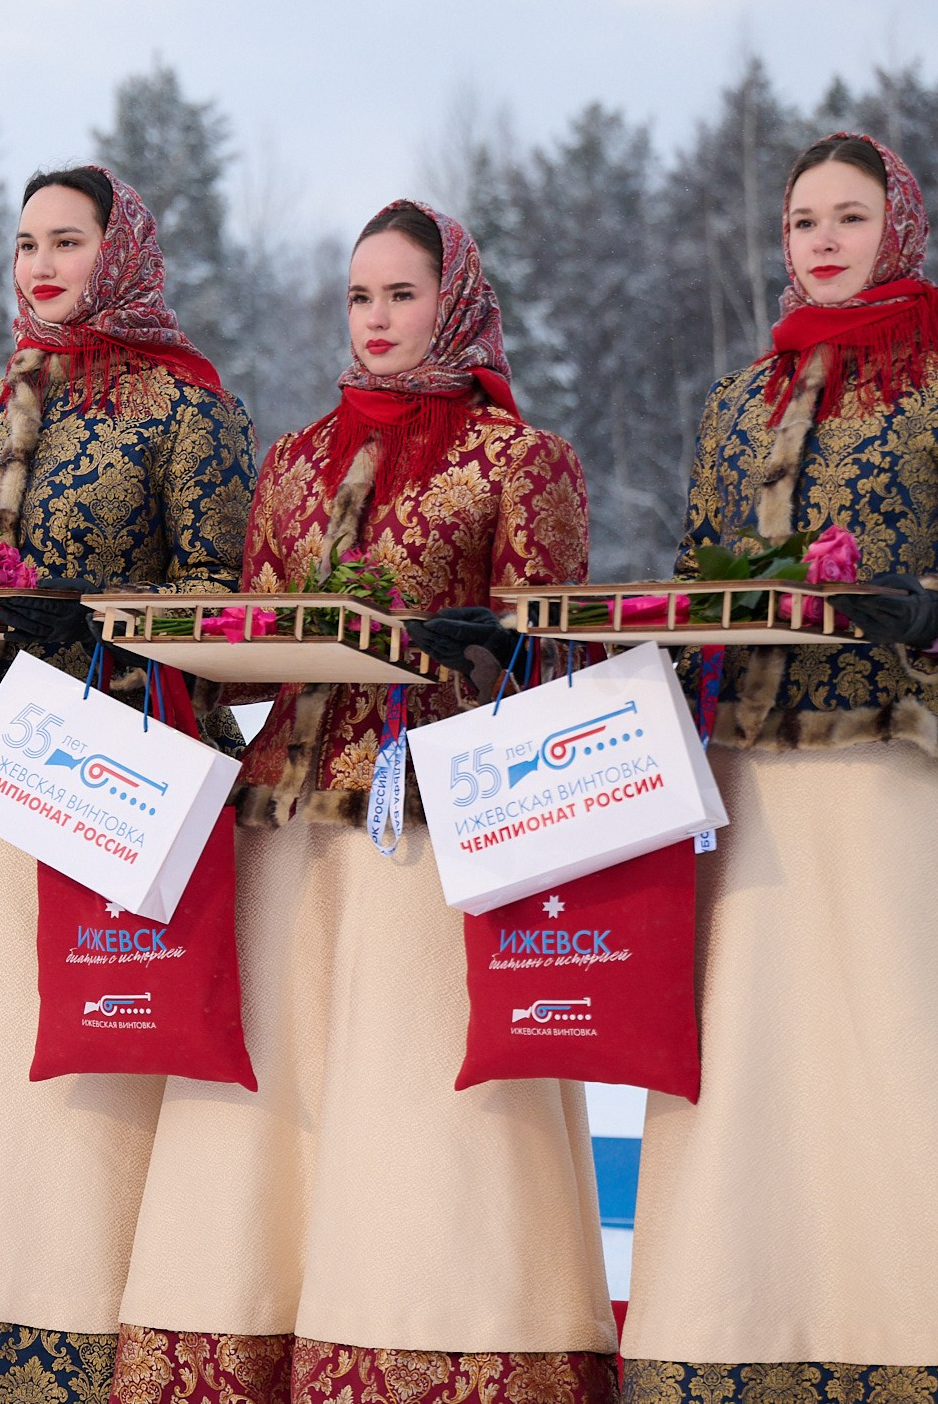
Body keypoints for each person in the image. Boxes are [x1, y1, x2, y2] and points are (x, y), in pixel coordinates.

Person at [109, 202, 617, 1404]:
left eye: (402, 293)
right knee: (274, 1094)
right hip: (289, 819)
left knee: (418, 1087)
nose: (378, 319)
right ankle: (248, 1339)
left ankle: (445, 1339)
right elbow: (259, 631)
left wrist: (493, 649)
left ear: (459, 299)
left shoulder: (523, 460)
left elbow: (561, 648)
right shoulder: (290, 459)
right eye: (359, 297)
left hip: (435, 823)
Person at [622, 133, 938, 1403]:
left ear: (897, 227)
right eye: (802, 218)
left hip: (897, 766)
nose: (820, 239)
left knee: (912, 1048)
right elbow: (708, 579)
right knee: (752, 1059)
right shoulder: (736, 403)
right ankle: (727, 1333)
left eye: (848, 216)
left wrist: (932, 614)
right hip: (752, 767)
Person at [0, 167, 256, 1404]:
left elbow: (223, 600)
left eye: (66, 241)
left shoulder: (189, 406)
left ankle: (71, 1323)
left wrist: (84, 618)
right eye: (25, 241)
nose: (39, 264)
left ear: (118, 252)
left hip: (107, 774)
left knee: (76, 1062)